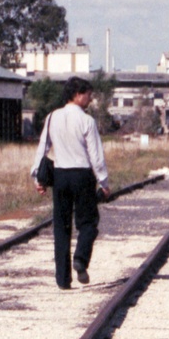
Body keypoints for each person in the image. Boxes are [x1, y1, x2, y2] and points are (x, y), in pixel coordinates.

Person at [31, 77, 110, 289]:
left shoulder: (51, 118)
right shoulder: (86, 121)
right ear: (77, 94)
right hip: (82, 176)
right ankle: (81, 259)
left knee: (61, 227)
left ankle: (63, 280)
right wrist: (103, 182)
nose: (90, 98)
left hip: (60, 176)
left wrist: (37, 176)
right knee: (88, 223)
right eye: (88, 94)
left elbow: (43, 148)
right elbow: (96, 155)